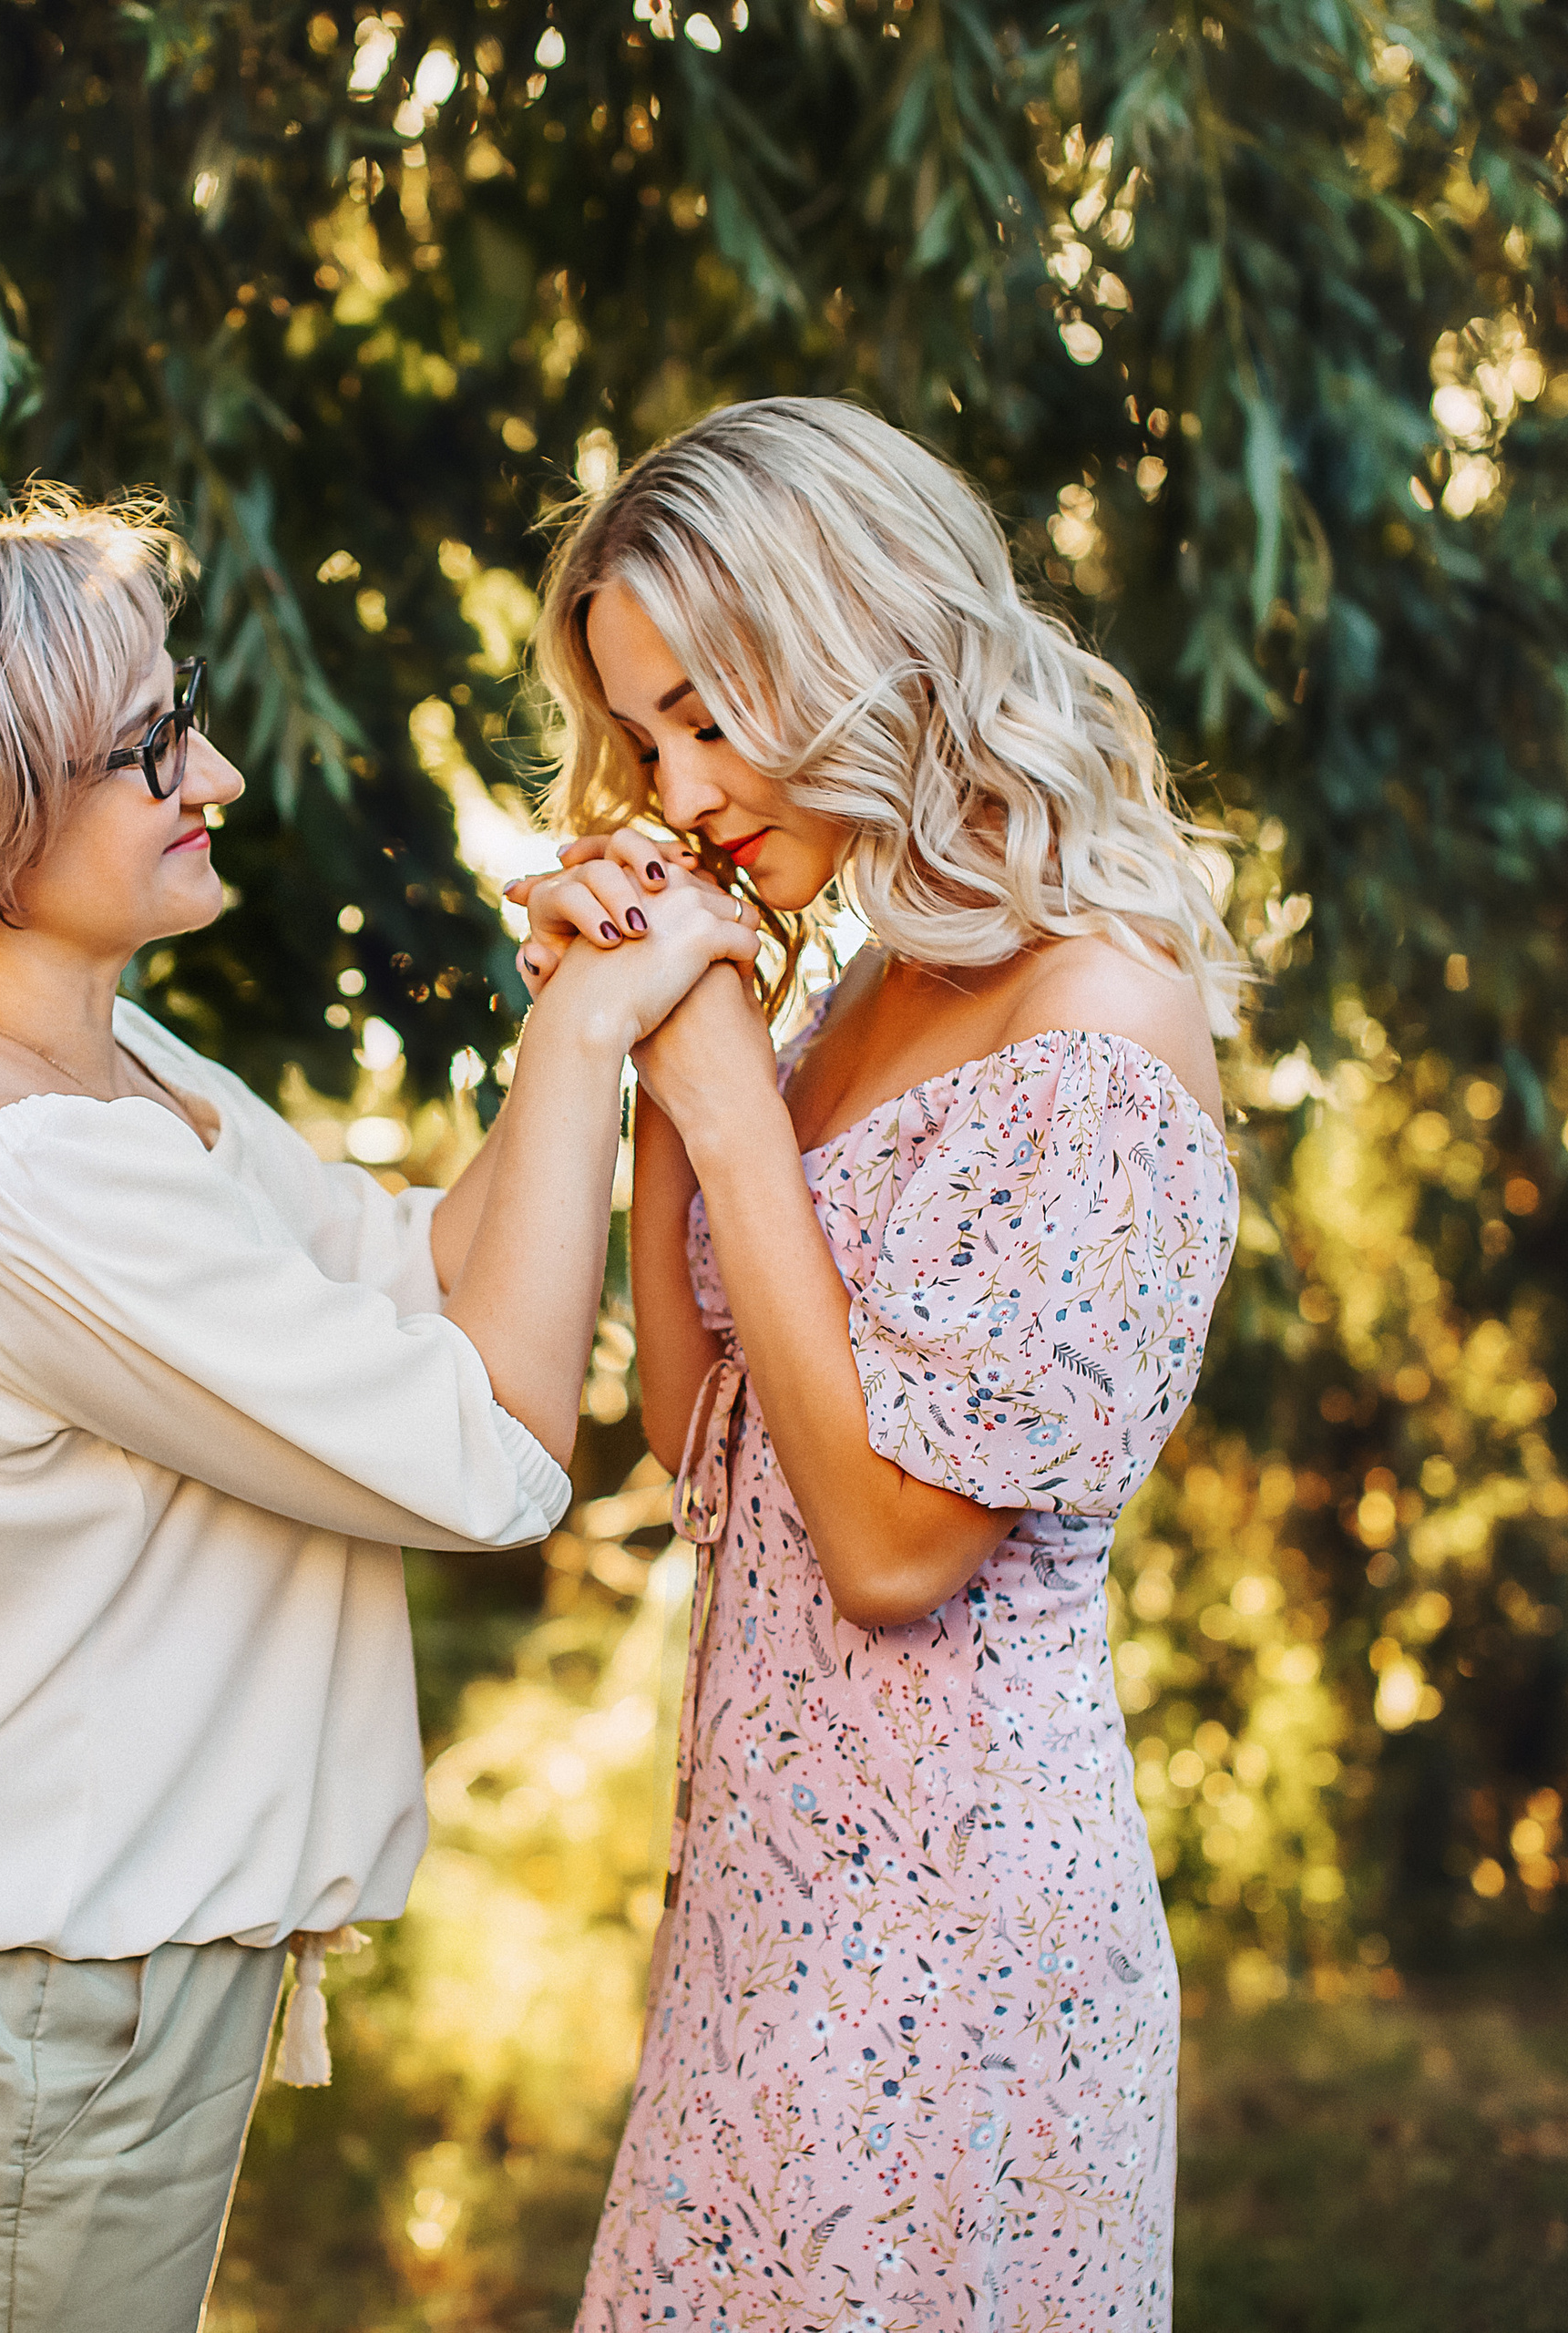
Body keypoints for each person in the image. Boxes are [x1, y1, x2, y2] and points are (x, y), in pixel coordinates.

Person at [0, 487, 758, 2333]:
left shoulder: (115, 1076)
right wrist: (589, 1036)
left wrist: (578, 1018)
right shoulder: (25, 1170)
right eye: (143, 750)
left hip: (47, 2040)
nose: (213, 771)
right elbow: (487, 1451)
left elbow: (418, 1279)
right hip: (5, 2057)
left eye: (178, 712)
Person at [509, 397, 1244, 2331]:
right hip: (762, 1911)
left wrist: (725, 1099)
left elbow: (896, 1547)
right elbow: (701, 1439)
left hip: (959, 1947)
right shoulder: (861, 988)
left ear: (852, 646)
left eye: (705, 716)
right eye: (642, 737)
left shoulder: (1094, 1021)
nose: (677, 788)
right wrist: (673, 1027)